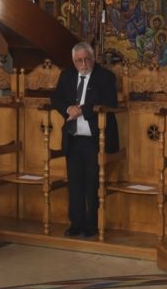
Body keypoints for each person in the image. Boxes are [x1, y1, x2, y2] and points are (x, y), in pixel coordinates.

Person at [50, 42, 119, 238]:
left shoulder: (105, 77)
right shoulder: (67, 76)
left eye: (87, 59)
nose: (84, 63)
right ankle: (75, 224)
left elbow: (110, 102)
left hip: (96, 139)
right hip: (73, 138)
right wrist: (67, 108)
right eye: (79, 60)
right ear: (73, 61)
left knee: (92, 183)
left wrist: (82, 110)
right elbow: (55, 98)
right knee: (75, 183)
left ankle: (91, 225)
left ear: (93, 58)